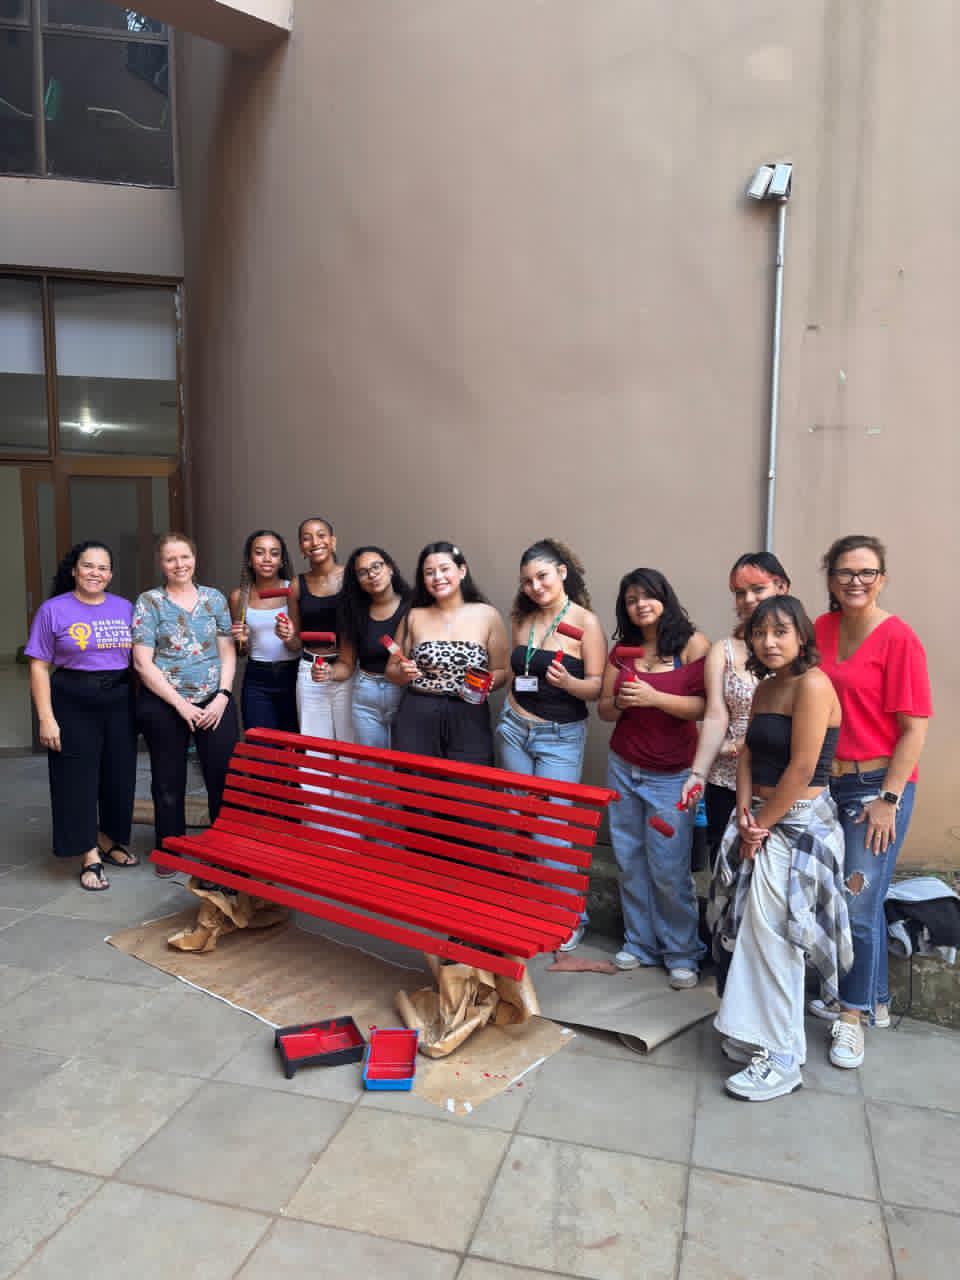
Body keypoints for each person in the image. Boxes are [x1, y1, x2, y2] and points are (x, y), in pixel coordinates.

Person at [713, 596, 847, 1100]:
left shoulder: (813, 685)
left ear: (802, 636)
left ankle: (783, 1058)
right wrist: (744, 814)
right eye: (759, 632)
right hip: (761, 820)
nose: (768, 641)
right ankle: (756, 1036)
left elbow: (802, 768)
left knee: (776, 937)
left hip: (797, 824)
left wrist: (760, 826)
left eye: (780, 632)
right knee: (754, 931)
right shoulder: (768, 686)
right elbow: (748, 753)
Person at [811, 535, 932, 1069]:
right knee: (855, 898)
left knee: (856, 900)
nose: (855, 581)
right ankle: (874, 998)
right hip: (827, 783)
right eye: (845, 572)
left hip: (876, 787)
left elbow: (914, 729)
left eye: (866, 572)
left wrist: (889, 798)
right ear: (830, 577)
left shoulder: (899, 638)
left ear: (882, 578)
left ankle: (850, 1017)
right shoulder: (820, 629)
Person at [598, 569, 710, 985]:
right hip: (624, 768)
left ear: (665, 598)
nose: (640, 605)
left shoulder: (692, 644)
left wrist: (654, 697)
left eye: (648, 596)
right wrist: (623, 704)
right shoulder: (623, 650)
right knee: (629, 860)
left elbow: (706, 708)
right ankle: (640, 943)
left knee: (668, 867)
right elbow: (604, 710)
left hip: (672, 775)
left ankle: (682, 952)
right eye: (631, 600)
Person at [495, 539, 606, 952]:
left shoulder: (586, 623)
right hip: (514, 729)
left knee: (552, 829)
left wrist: (570, 683)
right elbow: (515, 670)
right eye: (527, 581)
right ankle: (529, 908)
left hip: (559, 738)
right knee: (519, 821)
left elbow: (597, 687)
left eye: (542, 576)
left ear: (562, 572)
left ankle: (568, 916)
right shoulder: (522, 618)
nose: (535, 587)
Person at [25, 541, 137, 891]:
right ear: (74, 570)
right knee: (76, 778)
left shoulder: (125, 607)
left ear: (111, 574)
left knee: (118, 774)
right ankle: (88, 853)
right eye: (88, 566)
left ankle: (108, 837)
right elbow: (39, 666)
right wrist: (46, 718)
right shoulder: (53, 610)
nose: (95, 573)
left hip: (119, 699)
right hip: (72, 699)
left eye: (103, 568)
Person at [133, 533, 238, 874]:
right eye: (170, 559)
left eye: (185, 557)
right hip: (165, 702)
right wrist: (181, 706)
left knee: (222, 777)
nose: (179, 564)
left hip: (214, 701)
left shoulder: (214, 598)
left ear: (195, 558)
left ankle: (222, 850)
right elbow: (142, 663)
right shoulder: (149, 602)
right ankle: (170, 848)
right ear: (161, 564)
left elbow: (227, 651)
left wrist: (223, 696)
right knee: (167, 780)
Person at [681, 553, 791, 851]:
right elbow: (716, 715)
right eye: (740, 593)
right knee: (725, 862)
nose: (748, 599)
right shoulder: (724, 649)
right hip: (726, 777)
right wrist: (698, 774)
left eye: (758, 589)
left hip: (780, 781)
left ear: (781, 587)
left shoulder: (801, 648)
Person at [388, 541, 509, 765]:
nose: (438, 577)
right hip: (417, 712)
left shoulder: (487, 615)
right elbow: (391, 670)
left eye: (444, 569)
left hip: (469, 713)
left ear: (462, 571)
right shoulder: (413, 615)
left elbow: (503, 670)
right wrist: (402, 673)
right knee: (416, 781)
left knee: (469, 781)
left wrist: (489, 682)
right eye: (429, 572)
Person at [279, 516, 354, 742]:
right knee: (315, 747)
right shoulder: (296, 585)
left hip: (347, 669)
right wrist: (287, 636)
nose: (315, 542)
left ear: (333, 541)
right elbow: (295, 644)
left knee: (349, 746)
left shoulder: (351, 579)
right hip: (309, 671)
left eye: (321, 535)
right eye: (307, 538)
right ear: (301, 548)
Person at [336, 546, 412, 749]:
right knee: (371, 763)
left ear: (390, 568)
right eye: (363, 572)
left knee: (404, 760)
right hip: (366, 693)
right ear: (358, 582)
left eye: (376, 566)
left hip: (404, 692)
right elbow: (346, 663)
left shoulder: (414, 607)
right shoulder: (353, 612)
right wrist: (327, 672)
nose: (372, 575)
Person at [229, 529, 300, 731]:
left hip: (293, 675)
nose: (267, 559)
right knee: (259, 742)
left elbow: (297, 645)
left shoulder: (294, 590)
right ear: (250, 560)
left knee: (293, 742)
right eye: (259, 552)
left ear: (282, 561)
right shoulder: (239, 597)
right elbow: (241, 652)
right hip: (257, 679)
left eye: (274, 553)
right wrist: (241, 641)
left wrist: (288, 638)